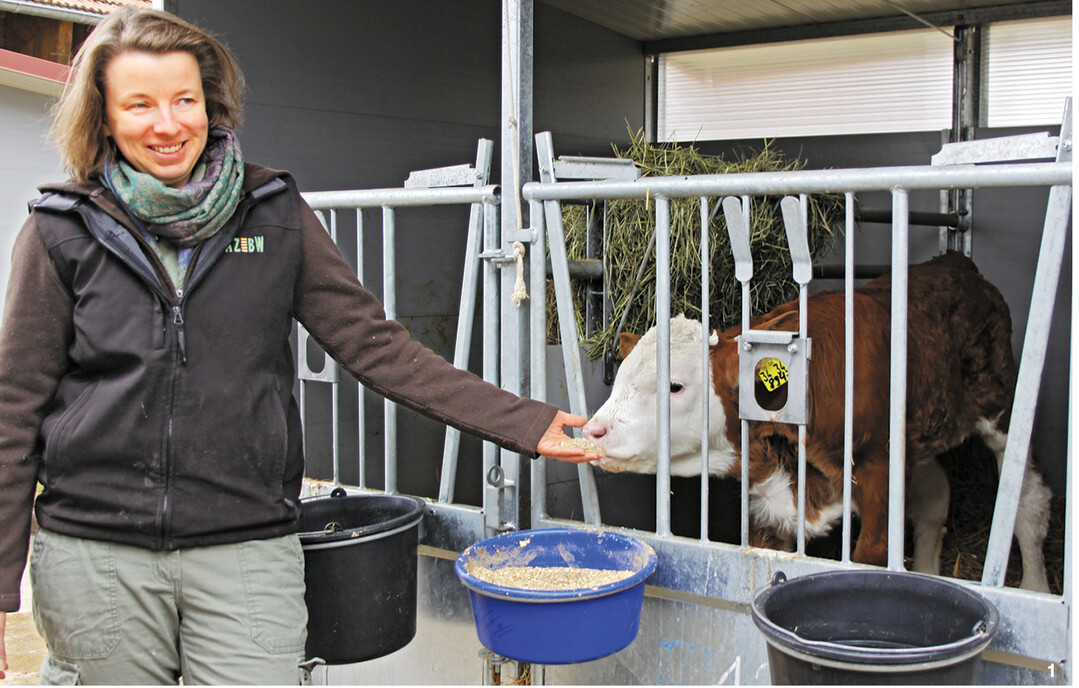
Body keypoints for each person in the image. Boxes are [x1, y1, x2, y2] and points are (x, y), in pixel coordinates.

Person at [0, 8, 601, 684]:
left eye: (184, 100)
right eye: (139, 105)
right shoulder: (61, 232)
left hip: (245, 547)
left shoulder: (272, 213)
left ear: (211, 105)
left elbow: (375, 346)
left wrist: (523, 421)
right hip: (97, 553)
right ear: (104, 118)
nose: (167, 125)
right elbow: (13, 408)